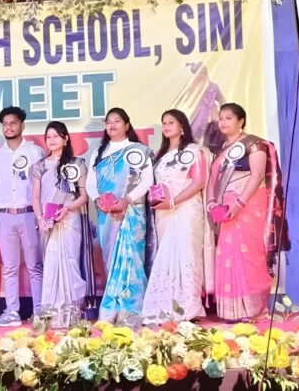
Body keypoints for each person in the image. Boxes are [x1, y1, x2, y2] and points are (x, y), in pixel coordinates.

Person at [207, 103, 288, 322]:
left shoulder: (255, 144)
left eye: (228, 118)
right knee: (227, 254)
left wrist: (239, 204)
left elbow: (257, 175)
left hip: (249, 206)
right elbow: (213, 179)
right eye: (221, 118)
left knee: (249, 255)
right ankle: (233, 311)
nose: (223, 122)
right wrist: (212, 203)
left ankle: (254, 310)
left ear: (241, 121)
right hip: (226, 210)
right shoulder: (221, 150)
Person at [142, 110, 211, 323]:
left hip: (186, 209)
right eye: (163, 123)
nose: (166, 126)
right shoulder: (159, 155)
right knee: (166, 255)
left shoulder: (193, 151)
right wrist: (155, 199)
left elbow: (198, 182)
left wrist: (174, 201)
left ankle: (189, 309)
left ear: (182, 126)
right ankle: (166, 307)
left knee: (186, 254)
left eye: (171, 122)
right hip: (164, 211)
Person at [87, 108, 154, 326]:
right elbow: (90, 183)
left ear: (127, 125)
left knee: (132, 260)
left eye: (117, 121)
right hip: (106, 215)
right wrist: (97, 199)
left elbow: (147, 180)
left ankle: (131, 310)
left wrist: (127, 200)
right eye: (109, 122)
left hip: (131, 212)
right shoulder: (99, 153)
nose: (113, 125)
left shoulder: (139, 150)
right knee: (111, 261)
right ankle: (112, 310)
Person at [0, 107, 46, 328]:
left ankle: (39, 311)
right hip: (4, 217)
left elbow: (44, 186)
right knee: (9, 267)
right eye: (5, 124)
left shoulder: (36, 152)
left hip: (29, 214)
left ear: (22, 125)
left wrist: (42, 216)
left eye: (13, 123)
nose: (8, 127)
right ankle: (12, 311)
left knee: (35, 266)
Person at [30, 121, 89, 328]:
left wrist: (67, 209)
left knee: (70, 264)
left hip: (69, 220)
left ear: (65, 139)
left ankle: (72, 315)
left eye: (56, 136)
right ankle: (52, 317)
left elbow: (84, 196)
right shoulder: (39, 166)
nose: (52, 140)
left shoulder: (77, 164)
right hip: (47, 223)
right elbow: (35, 198)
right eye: (48, 137)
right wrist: (40, 219)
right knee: (51, 266)